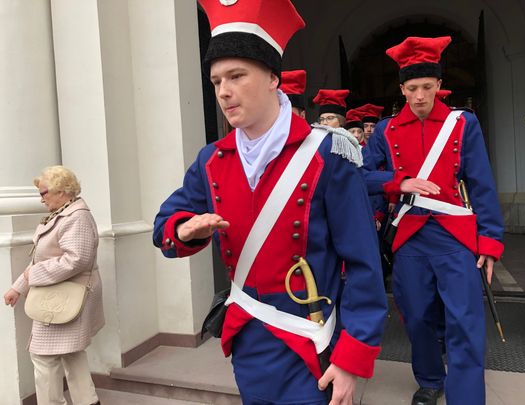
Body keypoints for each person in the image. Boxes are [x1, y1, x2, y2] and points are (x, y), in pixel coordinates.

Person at [153, 1, 387, 404]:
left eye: (236, 76)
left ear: (272, 78)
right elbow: (165, 227)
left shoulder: (327, 154)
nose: (224, 91)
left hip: (311, 348)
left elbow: (364, 265)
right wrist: (184, 229)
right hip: (248, 345)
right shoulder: (213, 160)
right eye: (216, 81)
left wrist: (352, 359)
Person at [363, 36, 504, 405]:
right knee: (417, 318)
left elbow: (482, 183)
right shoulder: (386, 130)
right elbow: (359, 177)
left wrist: (490, 241)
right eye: (412, 88)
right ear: (402, 89)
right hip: (409, 237)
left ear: (439, 84)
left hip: (456, 237)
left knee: (465, 322)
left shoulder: (463, 123)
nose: (420, 96)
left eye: (427, 86)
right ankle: (429, 379)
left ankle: (467, 397)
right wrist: (398, 182)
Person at [3, 166, 104, 405]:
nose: (41, 199)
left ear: (61, 191)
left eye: (43, 193)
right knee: (71, 353)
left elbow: (77, 259)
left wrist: (31, 277)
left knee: (43, 356)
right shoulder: (65, 213)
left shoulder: (76, 217)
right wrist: (19, 287)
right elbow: (40, 259)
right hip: (62, 295)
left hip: (67, 296)